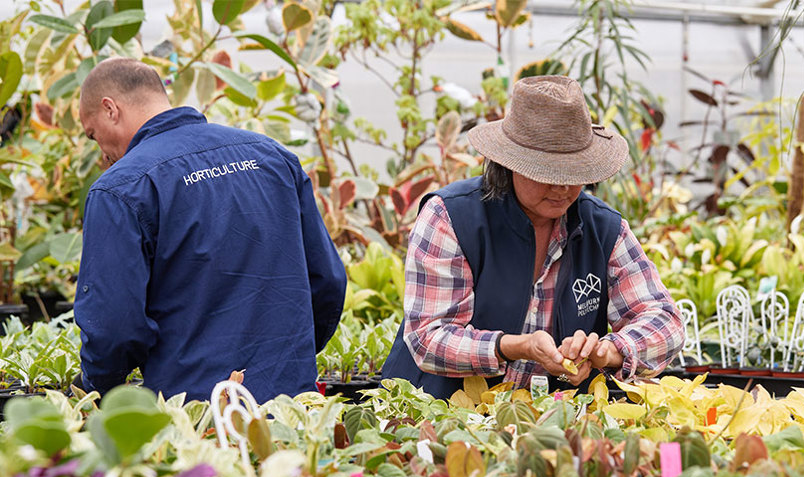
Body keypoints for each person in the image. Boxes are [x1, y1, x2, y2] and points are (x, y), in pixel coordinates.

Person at [382, 75, 684, 399]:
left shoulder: (603, 229)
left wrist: (609, 351)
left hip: (550, 423)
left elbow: (665, 322)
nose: (562, 188)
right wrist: (514, 347)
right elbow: (428, 338)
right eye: (546, 174)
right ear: (510, 163)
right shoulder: (451, 217)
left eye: (573, 173)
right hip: (437, 415)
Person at [75, 58, 346, 403]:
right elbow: (328, 281)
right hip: (290, 406)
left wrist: (100, 388)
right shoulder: (274, 157)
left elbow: (114, 325)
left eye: (93, 134)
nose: (103, 154)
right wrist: (289, 359)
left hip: (196, 415)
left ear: (110, 109)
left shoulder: (121, 188)